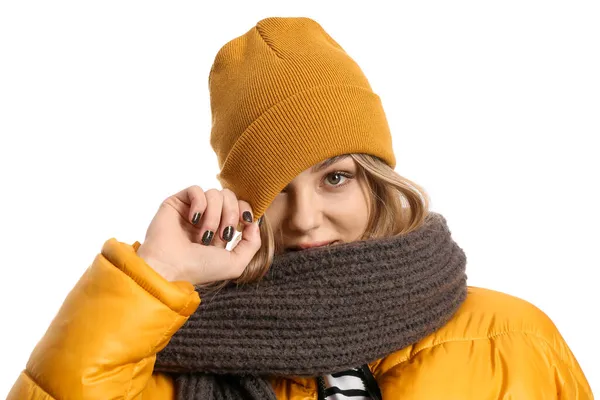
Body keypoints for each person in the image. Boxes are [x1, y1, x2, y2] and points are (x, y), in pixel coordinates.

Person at [8, 16, 592, 400]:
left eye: (335, 178)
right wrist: (158, 275)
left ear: (379, 183)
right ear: (243, 206)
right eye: (277, 189)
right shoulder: (175, 355)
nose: (305, 218)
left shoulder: (513, 342)